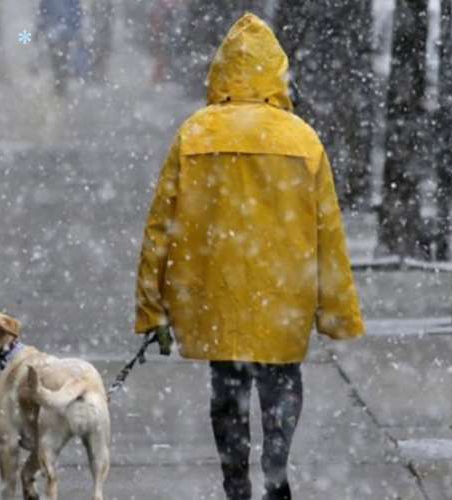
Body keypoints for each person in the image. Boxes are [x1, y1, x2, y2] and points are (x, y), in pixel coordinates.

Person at [134, 14, 365, 500]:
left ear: (220, 71)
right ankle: (276, 473)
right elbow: (328, 231)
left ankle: (235, 483)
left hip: (216, 292)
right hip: (284, 291)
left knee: (228, 389)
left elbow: (160, 227)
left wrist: (154, 308)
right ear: (276, 73)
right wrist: (336, 311)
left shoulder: (195, 134)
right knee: (281, 383)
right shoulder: (301, 139)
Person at [37, 0, 83, 95]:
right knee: (59, 58)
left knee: (59, 57)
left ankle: (60, 81)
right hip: (59, 32)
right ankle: (60, 81)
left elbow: (43, 12)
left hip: (60, 32)